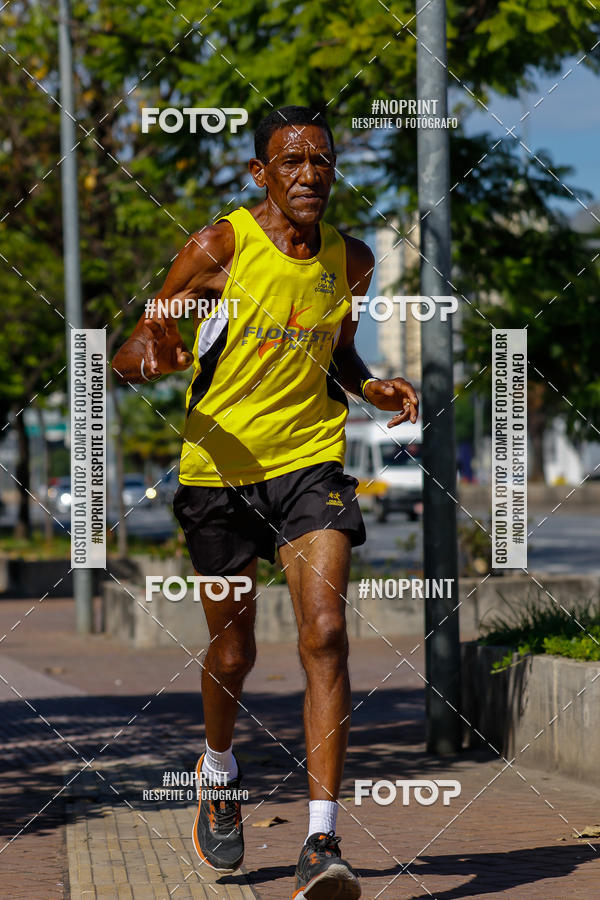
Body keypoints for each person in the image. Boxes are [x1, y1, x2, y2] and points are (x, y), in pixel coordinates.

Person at [112, 105, 418, 900]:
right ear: (262, 174)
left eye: (321, 161)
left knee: (325, 632)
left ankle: (321, 841)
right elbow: (138, 343)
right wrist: (153, 357)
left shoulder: (350, 260)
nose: (310, 175)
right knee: (235, 653)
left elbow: (339, 351)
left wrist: (370, 384)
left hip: (310, 464)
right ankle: (218, 772)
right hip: (217, 474)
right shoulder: (218, 247)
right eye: (292, 163)